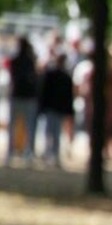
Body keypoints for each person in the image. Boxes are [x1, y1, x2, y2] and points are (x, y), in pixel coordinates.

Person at [5, 36, 39, 166]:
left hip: (18, 96)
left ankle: (11, 152)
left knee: (14, 126)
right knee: (29, 126)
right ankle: (27, 152)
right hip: (28, 97)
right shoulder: (30, 61)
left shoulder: (16, 61)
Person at [37, 53, 75, 167]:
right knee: (55, 132)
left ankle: (50, 153)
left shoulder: (51, 75)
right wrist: (69, 111)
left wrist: (42, 107)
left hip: (52, 108)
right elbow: (69, 96)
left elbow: (44, 92)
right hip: (58, 109)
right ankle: (53, 154)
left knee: (50, 132)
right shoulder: (64, 77)